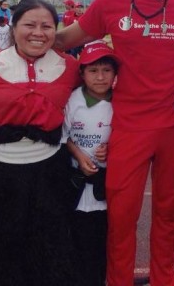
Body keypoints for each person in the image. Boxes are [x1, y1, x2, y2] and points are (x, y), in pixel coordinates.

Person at [54, 0, 174, 286]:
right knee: (122, 216)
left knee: (168, 213)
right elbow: (64, 39)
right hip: (127, 126)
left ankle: (163, 279)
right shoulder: (110, 2)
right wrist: (22, 40)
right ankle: (119, 280)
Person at [0, 0, 80, 285]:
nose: (38, 33)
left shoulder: (72, 68)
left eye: (47, 26)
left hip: (49, 174)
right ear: (13, 28)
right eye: (29, 24)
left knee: (45, 254)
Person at [64, 40, 118, 286]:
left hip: (105, 186)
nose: (100, 77)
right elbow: (63, 137)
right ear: (82, 73)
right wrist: (78, 155)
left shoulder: (120, 103)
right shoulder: (71, 100)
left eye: (106, 70)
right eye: (93, 71)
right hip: (75, 184)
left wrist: (112, 149)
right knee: (75, 241)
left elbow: (128, 136)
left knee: (101, 243)